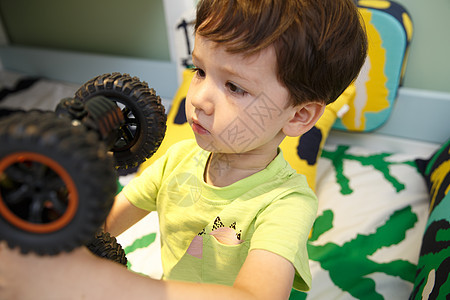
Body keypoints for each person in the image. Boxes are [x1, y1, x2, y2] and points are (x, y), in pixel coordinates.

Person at [0, 0, 367, 299]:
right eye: (200, 70)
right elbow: (101, 226)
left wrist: (94, 280)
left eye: (235, 87)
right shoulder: (178, 162)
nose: (200, 99)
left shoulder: (286, 203)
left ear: (300, 116)